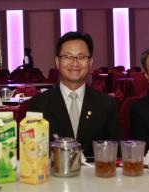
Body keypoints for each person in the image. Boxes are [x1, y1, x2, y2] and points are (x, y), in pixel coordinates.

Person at [26, 31, 120, 160]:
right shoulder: (38, 105)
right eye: (67, 56)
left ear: (90, 62)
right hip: (54, 172)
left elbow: (114, 153)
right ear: (57, 62)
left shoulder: (107, 104)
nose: (75, 62)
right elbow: (32, 153)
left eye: (81, 57)